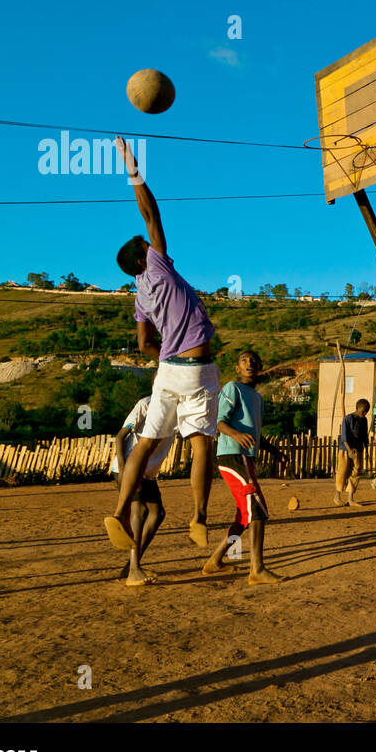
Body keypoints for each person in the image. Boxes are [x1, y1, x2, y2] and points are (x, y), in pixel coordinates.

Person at [106, 135, 218, 552]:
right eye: (144, 244)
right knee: (201, 441)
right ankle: (200, 516)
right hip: (196, 369)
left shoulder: (139, 295)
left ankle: (117, 512)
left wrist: (163, 357)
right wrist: (129, 162)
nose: (150, 242)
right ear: (141, 258)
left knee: (149, 441)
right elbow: (151, 210)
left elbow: (142, 344)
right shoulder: (156, 265)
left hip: (168, 371)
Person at [203, 350, 286, 584]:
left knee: (244, 516)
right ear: (238, 369)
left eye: (253, 360)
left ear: (260, 367)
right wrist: (236, 435)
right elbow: (218, 421)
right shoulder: (232, 388)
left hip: (246, 458)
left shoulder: (257, 397)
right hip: (232, 455)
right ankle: (256, 569)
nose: (249, 363)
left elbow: (255, 434)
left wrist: (274, 451)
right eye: (244, 360)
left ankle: (215, 560)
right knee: (257, 510)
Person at [110, 396, 176, 586]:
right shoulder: (145, 404)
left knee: (158, 513)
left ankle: (131, 565)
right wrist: (124, 468)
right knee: (139, 512)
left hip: (148, 473)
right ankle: (133, 570)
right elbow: (121, 435)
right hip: (130, 467)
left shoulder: (177, 410)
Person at [334, 399, 370, 507]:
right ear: (358, 408)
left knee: (356, 472)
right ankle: (337, 496)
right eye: (363, 411)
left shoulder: (364, 420)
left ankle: (350, 498)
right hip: (345, 449)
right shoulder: (348, 419)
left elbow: (364, 437)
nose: (364, 414)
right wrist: (349, 450)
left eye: (366, 411)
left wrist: (366, 450)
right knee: (343, 471)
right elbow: (344, 437)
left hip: (358, 449)